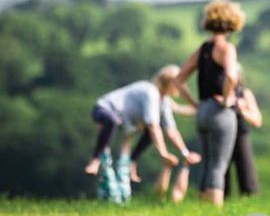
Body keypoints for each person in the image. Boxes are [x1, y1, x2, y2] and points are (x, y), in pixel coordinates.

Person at [83, 65, 200, 202]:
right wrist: (163, 153)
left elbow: (171, 130)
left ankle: (131, 163)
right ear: (171, 84)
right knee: (118, 125)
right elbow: (153, 126)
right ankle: (96, 160)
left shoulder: (164, 101)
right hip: (105, 110)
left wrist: (185, 153)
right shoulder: (151, 93)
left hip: (125, 122)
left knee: (149, 133)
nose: (183, 87)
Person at [174, 0, 244, 208]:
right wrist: (226, 99)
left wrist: (195, 104)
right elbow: (231, 76)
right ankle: (215, 212)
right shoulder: (227, 48)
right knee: (219, 166)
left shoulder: (204, 48)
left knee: (208, 164)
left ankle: (204, 209)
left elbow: (178, 80)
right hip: (220, 113)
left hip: (203, 112)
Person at [224, 63, 263, 198]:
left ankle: (250, 198)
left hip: (240, 134)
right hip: (221, 135)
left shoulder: (244, 93)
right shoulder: (217, 94)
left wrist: (243, 110)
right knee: (221, 171)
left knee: (246, 169)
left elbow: (257, 121)